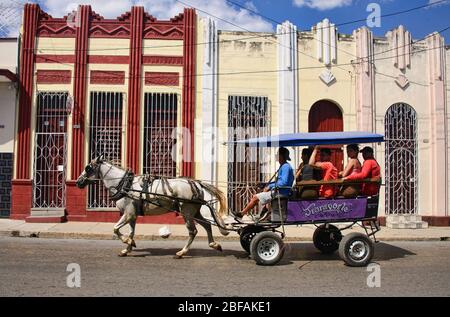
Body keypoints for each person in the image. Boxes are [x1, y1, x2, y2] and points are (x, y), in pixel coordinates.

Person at [235, 147, 294, 219]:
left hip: (280, 192)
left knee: (255, 197)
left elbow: (283, 182)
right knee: (261, 197)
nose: (276, 156)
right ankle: (262, 216)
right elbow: (278, 181)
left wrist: (270, 187)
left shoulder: (286, 167)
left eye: (278, 154)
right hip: (278, 191)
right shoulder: (284, 166)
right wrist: (265, 184)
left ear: (281, 156)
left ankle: (242, 214)